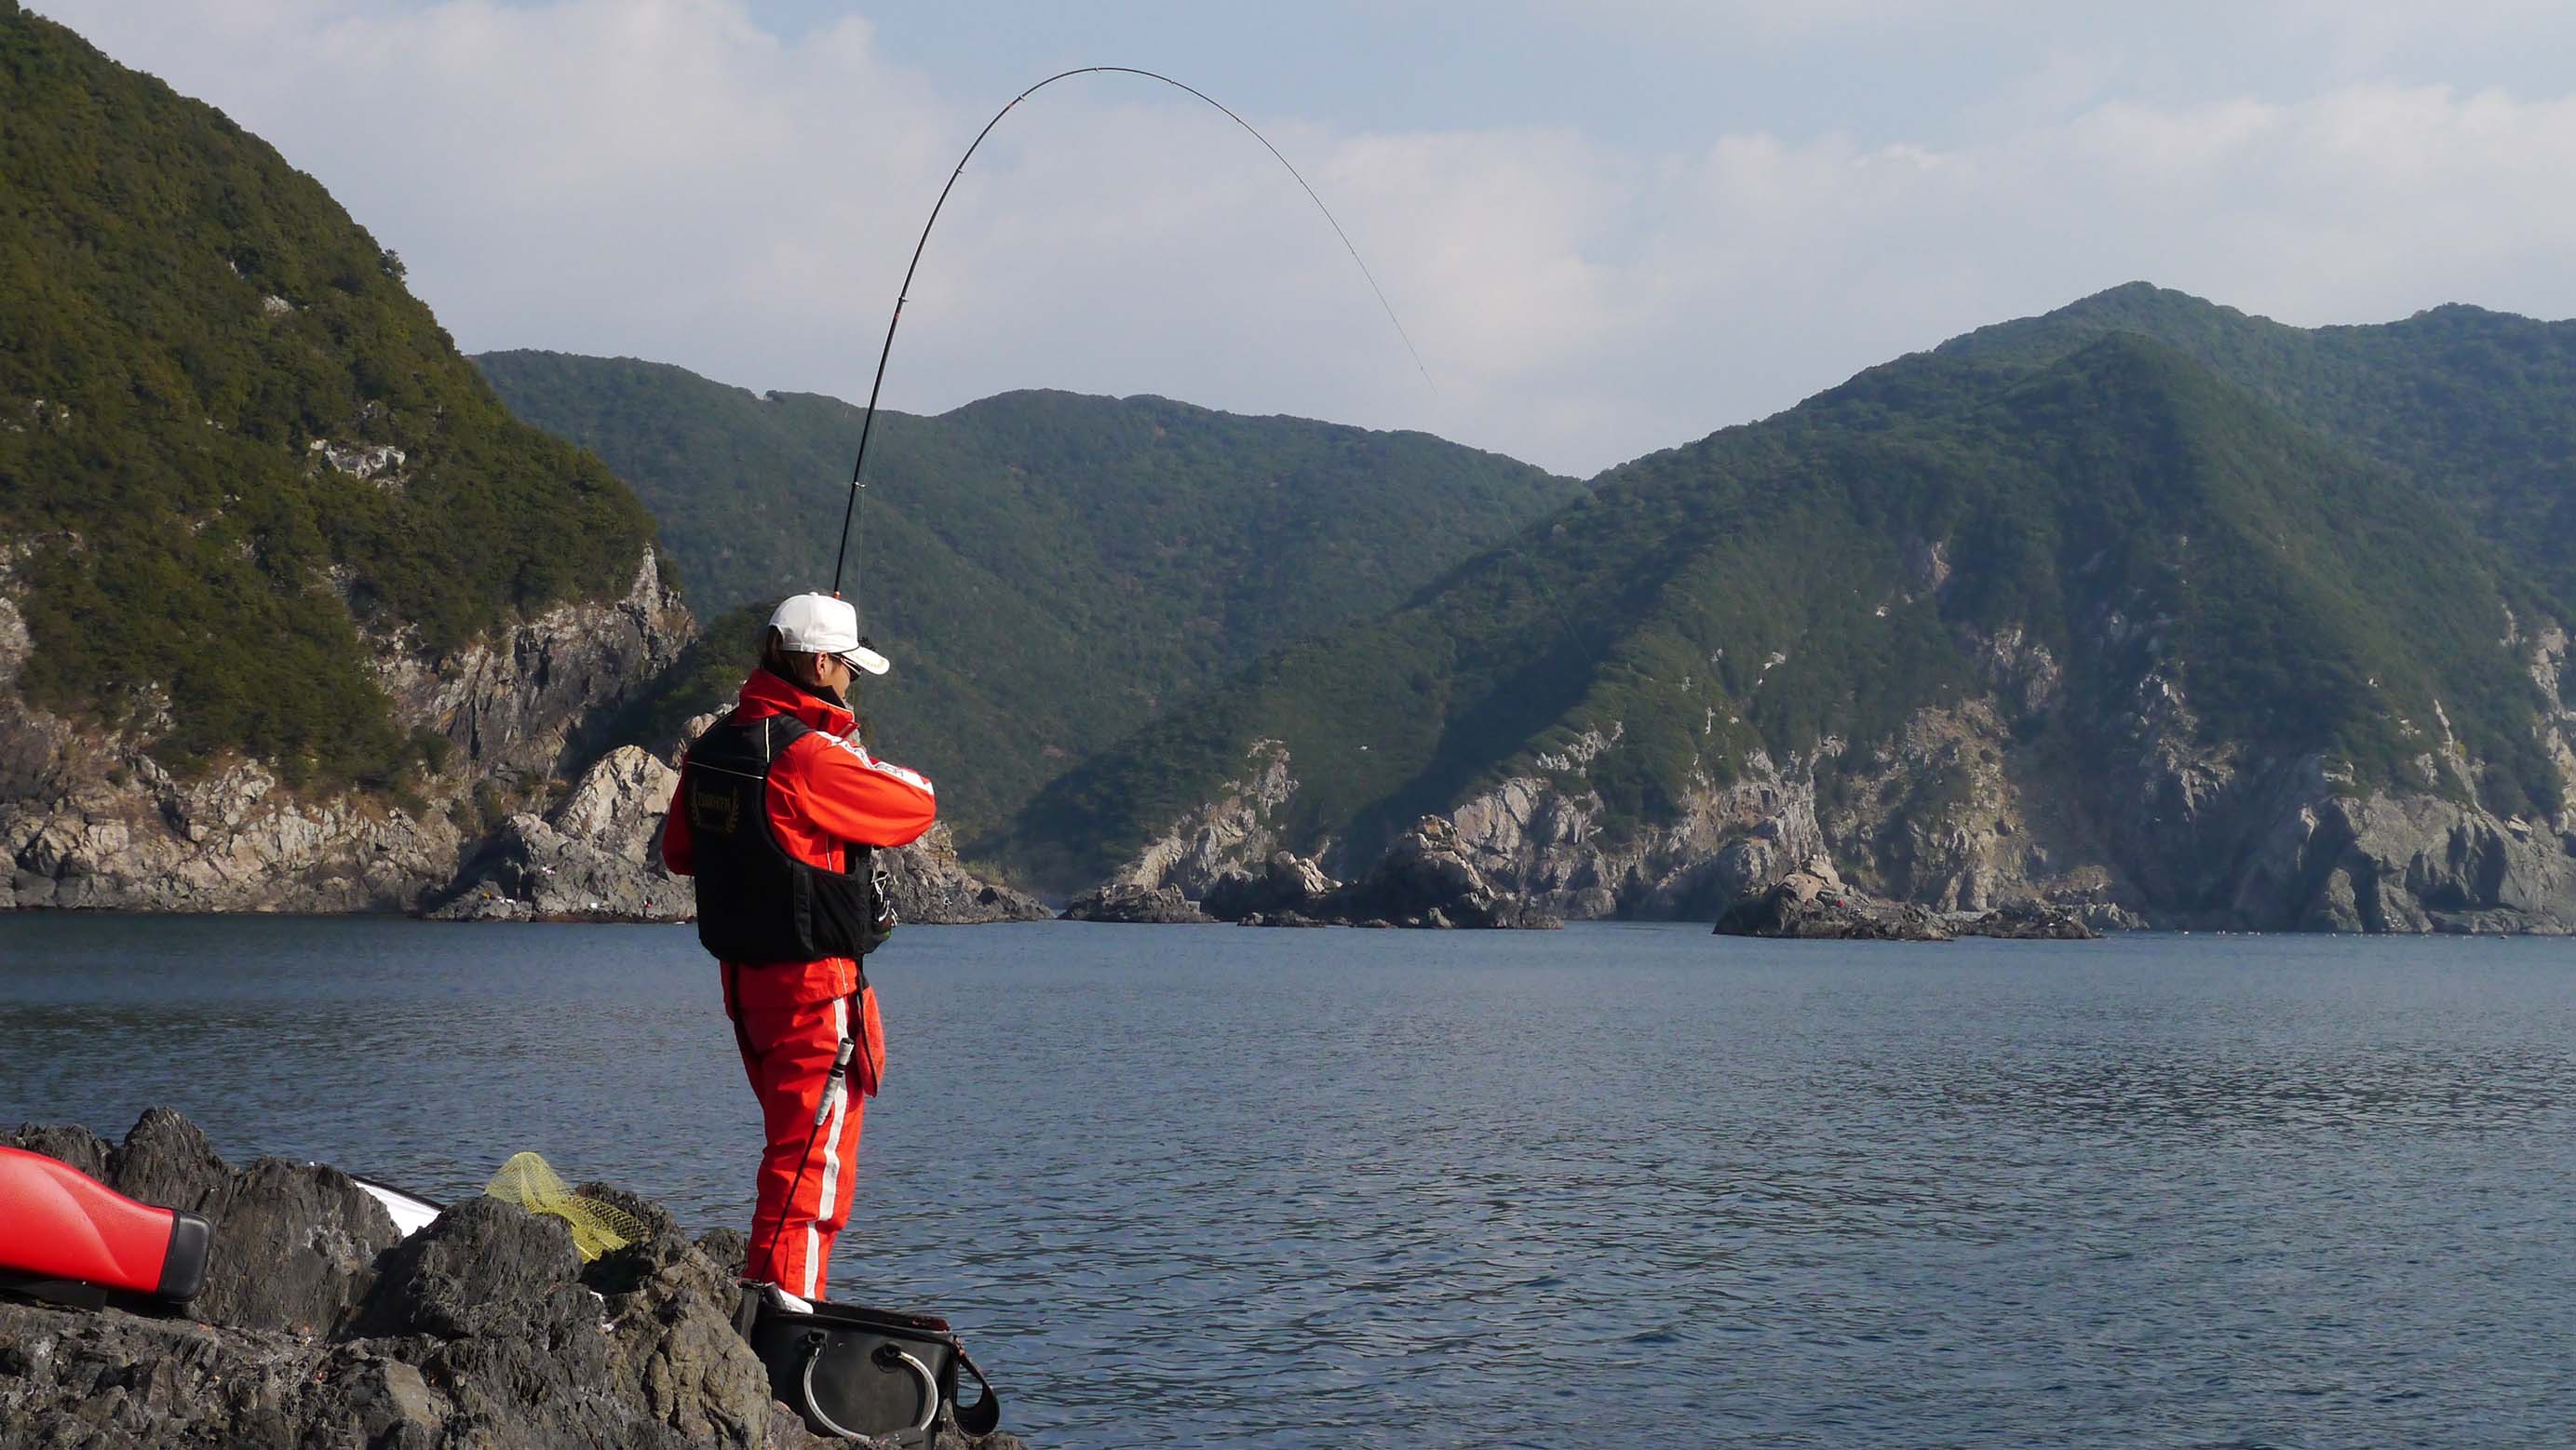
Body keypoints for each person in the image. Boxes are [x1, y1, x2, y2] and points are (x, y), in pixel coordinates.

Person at [661, 592, 936, 1300]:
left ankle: (762, 1303)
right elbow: (915, 804)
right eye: (848, 668)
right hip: (816, 992)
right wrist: (842, 744)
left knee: (790, 1153)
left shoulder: (713, 749)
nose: (853, 682)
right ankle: (788, 1320)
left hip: (747, 989)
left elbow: (679, 852)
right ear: (819, 665)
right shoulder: (809, 758)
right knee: (813, 1169)